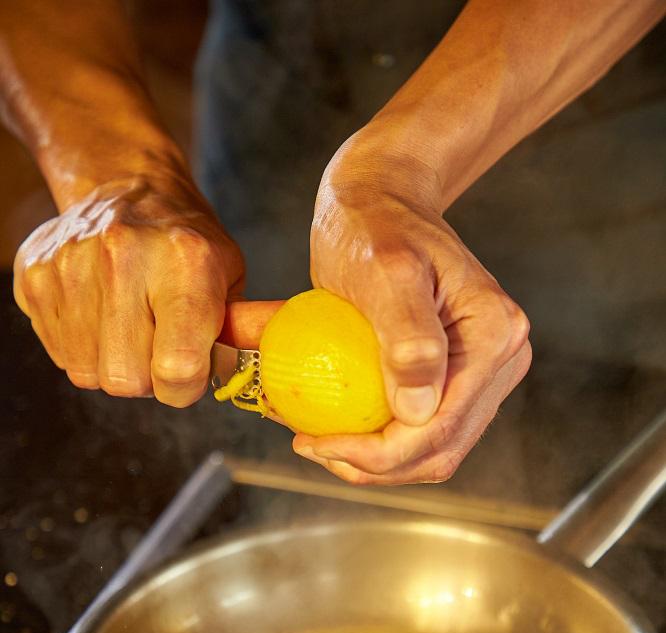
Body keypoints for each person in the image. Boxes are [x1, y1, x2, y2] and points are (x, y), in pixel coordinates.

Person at [0, 0, 663, 486]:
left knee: (601, 430)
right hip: (275, 95)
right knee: (269, 463)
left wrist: (394, 172)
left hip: (590, 131)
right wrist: (118, 176)